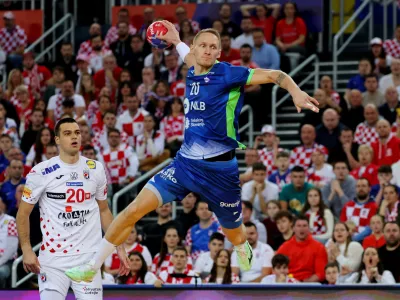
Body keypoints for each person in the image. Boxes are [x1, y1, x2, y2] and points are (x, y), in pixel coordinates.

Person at [65, 22, 319, 282]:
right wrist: (175, 39)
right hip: (185, 166)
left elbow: (276, 75)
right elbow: (184, 51)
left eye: (213, 47)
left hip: (221, 171)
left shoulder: (228, 73)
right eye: (203, 46)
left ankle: (242, 246)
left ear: (219, 52)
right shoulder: (192, 66)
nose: (207, 51)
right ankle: (92, 266)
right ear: (195, 51)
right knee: (133, 210)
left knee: (234, 233)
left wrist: (296, 93)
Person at [16, 118, 129, 299]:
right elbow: (23, 213)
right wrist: (26, 249)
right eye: (67, 134)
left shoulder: (95, 168)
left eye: (77, 132)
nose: (74, 137)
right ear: (57, 140)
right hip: (53, 260)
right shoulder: (41, 172)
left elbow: (104, 211)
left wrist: (120, 247)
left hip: (88, 260)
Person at [276, 215, 328, 282]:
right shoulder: (284, 248)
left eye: (304, 226)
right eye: (299, 226)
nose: (301, 229)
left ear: (309, 228)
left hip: (310, 285)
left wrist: (303, 284)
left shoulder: (319, 247)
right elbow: (277, 270)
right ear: (293, 228)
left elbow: (321, 274)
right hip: (288, 284)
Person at [0, 197, 18, 288]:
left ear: (3, 205)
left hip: (7, 261)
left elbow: (12, 248)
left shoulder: (10, 221)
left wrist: (0, 261)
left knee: (1, 273)